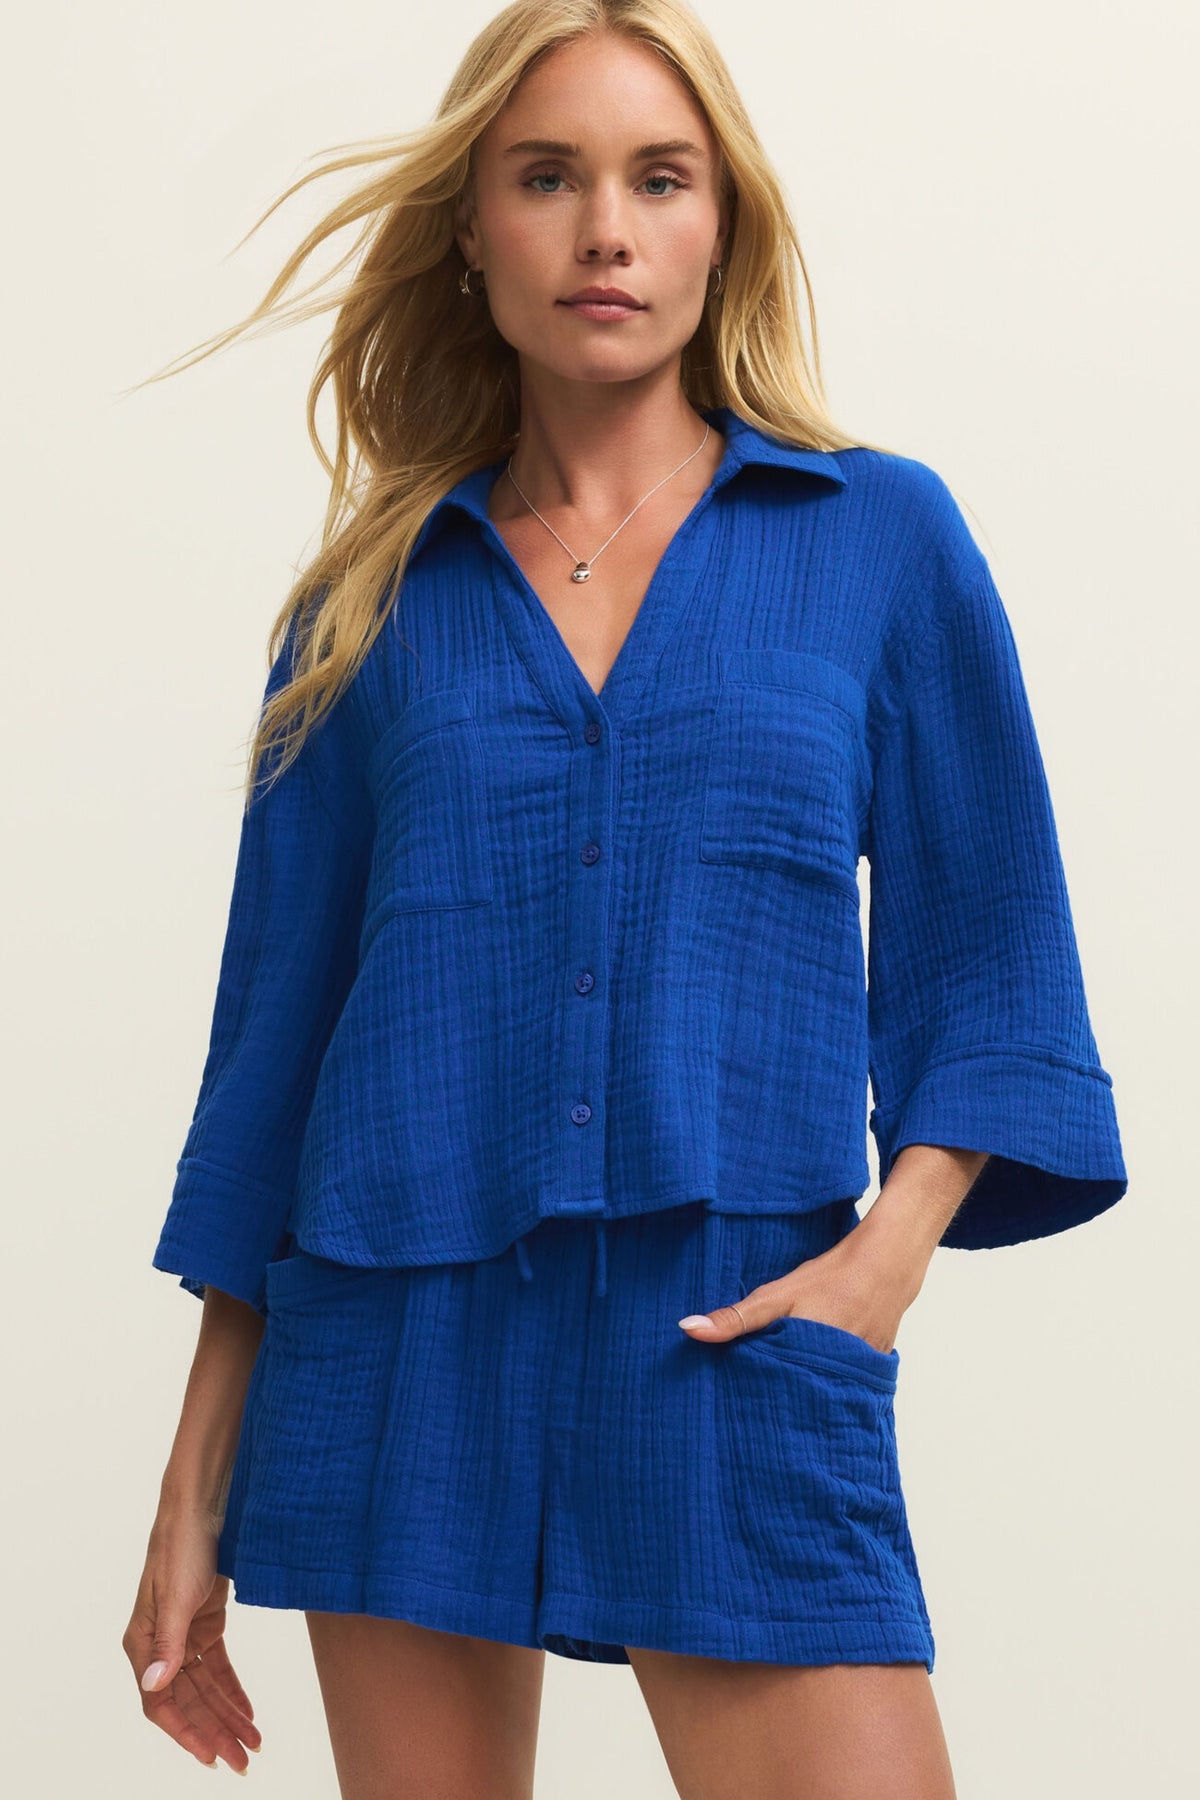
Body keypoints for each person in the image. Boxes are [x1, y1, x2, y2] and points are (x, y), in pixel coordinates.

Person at [122, 3, 1128, 1795]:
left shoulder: (876, 538)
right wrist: (190, 1495)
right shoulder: (366, 609)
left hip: (732, 1325)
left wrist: (884, 1263)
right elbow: (270, 1065)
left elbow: (992, 953)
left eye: (660, 179)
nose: (606, 230)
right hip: (401, 1342)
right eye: (547, 178)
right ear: (471, 228)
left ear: (722, 222)